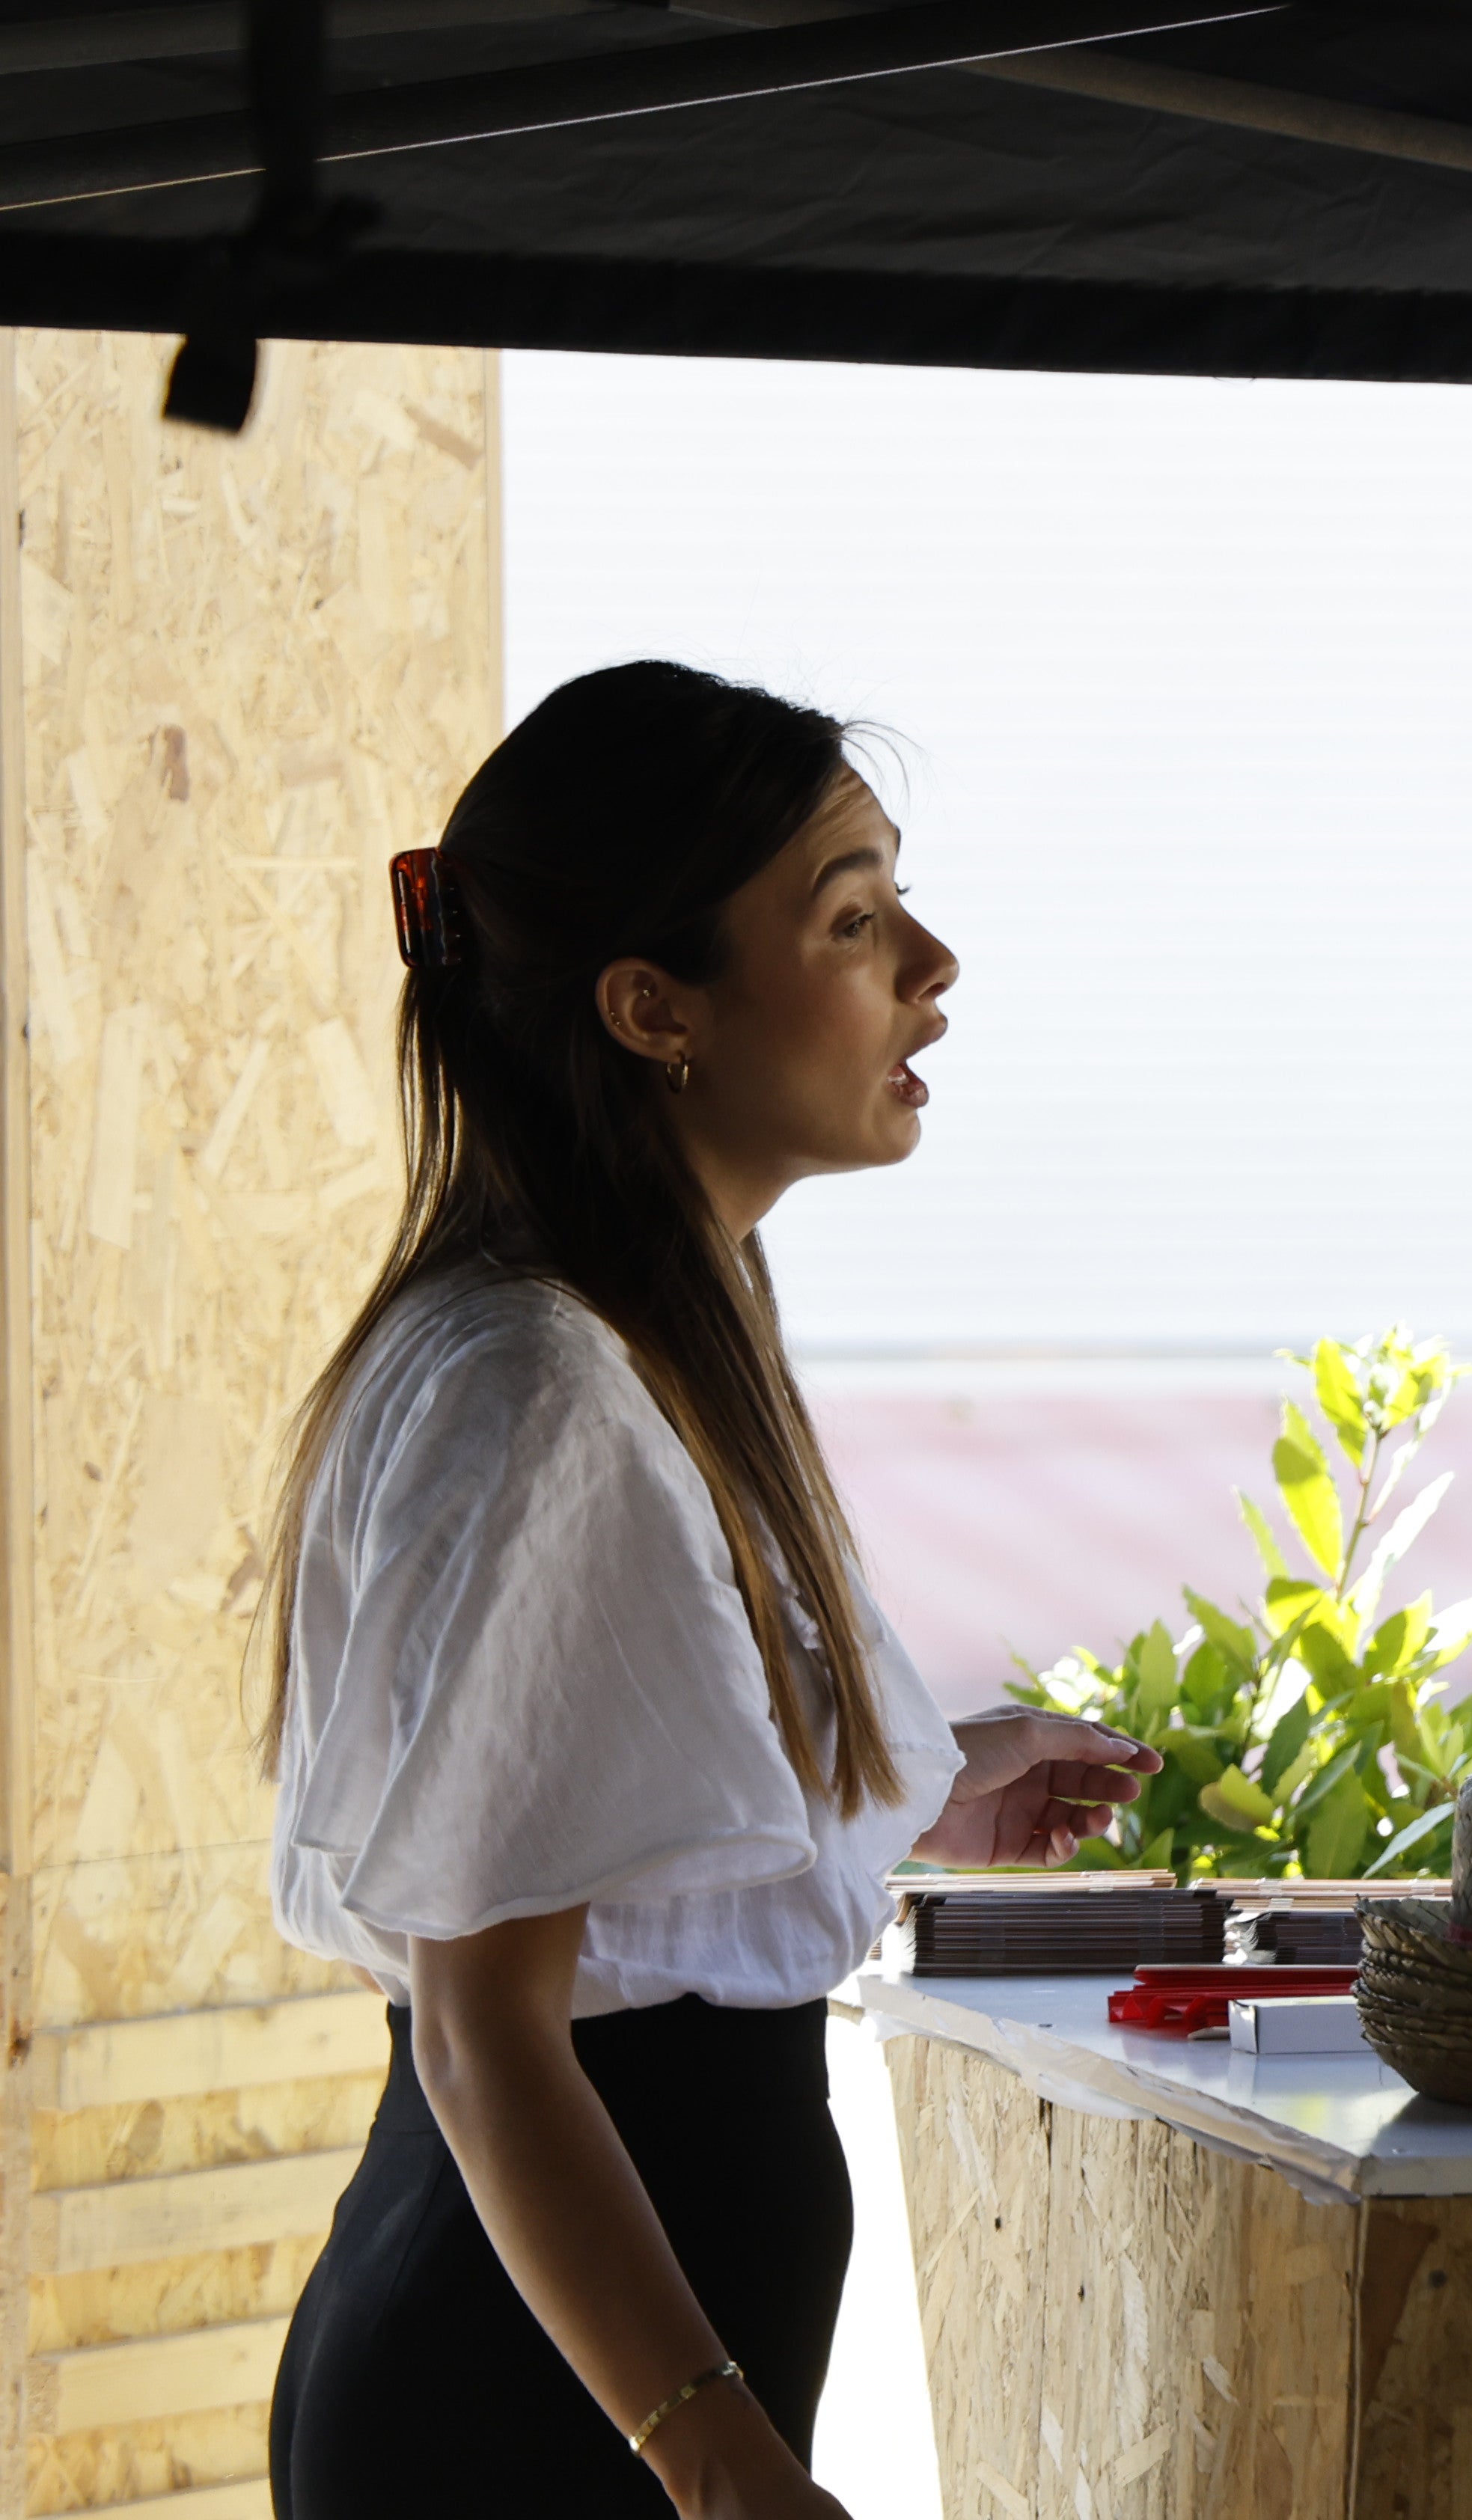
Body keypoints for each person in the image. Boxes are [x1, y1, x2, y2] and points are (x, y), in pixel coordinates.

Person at [262, 664, 1159, 2519]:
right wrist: (721, 2464)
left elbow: (605, 1844)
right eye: (848, 915)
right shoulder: (548, 1391)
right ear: (653, 1008)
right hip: (531, 2405)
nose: (932, 960)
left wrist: (904, 1776)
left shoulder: (642, 1323)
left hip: (556, 2356)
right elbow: (485, 2022)